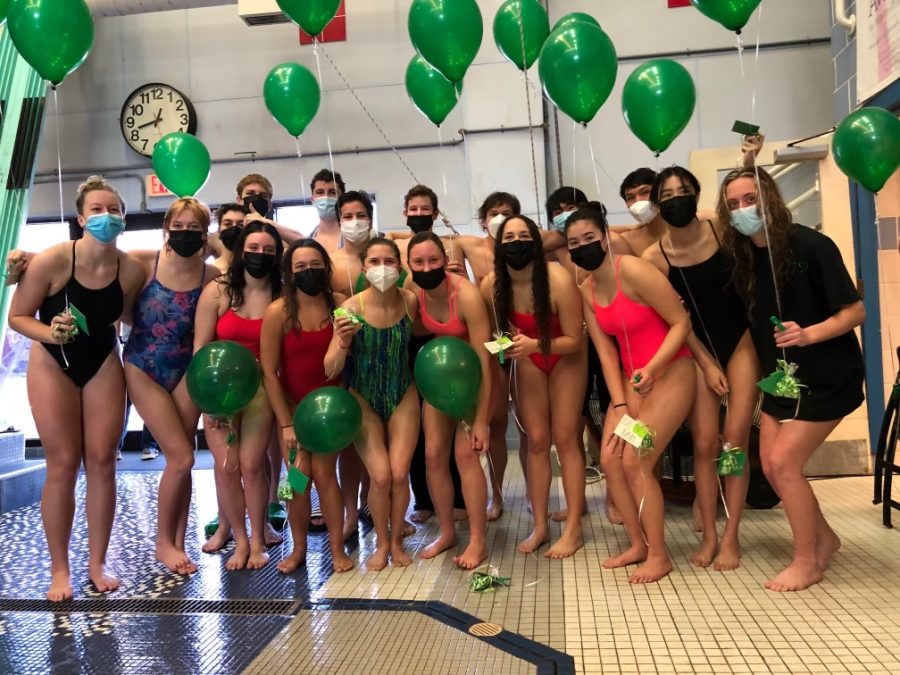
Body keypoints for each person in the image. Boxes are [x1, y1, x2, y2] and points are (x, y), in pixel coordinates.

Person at [719, 167, 864, 591]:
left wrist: (808, 334)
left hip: (825, 377)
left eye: (751, 200)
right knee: (774, 465)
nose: (743, 211)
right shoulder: (744, 257)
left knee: (783, 464)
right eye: (733, 205)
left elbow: (855, 311)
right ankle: (824, 540)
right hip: (780, 381)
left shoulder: (811, 245)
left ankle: (807, 561)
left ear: (771, 200)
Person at [8, 176, 145, 601]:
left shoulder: (131, 269)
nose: (107, 217)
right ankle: (59, 570)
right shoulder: (51, 261)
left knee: (103, 461)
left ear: (124, 217)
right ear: (81, 218)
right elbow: (17, 316)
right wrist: (52, 334)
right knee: (63, 463)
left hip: (102, 359)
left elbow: (126, 318)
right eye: (98, 210)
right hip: (52, 362)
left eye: (115, 210)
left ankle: (97, 563)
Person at [566, 206, 695, 583]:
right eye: (574, 243)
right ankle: (637, 543)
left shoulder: (634, 271)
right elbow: (606, 353)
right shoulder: (586, 290)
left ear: (605, 237)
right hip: (631, 383)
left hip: (671, 373)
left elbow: (680, 322)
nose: (582, 247)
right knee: (610, 461)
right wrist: (619, 404)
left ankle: (659, 555)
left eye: (589, 238)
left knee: (636, 459)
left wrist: (653, 369)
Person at [642, 166, 757, 571]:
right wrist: (707, 365)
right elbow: (676, 322)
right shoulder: (654, 258)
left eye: (683, 191)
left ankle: (732, 536)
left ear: (696, 194)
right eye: (667, 195)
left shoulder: (722, 234)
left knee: (734, 439)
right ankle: (709, 535)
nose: (676, 199)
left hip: (739, 344)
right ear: (657, 204)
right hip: (696, 355)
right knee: (706, 445)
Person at [122, 197, 220, 574]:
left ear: (204, 234)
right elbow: (100, 279)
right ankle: (164, 543)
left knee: (181, 461)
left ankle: (178, 541)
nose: (184, 234)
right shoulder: (144, 262)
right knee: (181, 457)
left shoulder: (209, 276)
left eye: (194, 229)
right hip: (143, 365)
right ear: (166, 229)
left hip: (186, 368)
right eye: (177, 227)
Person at [481, 216, 586, 558]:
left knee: (567, 440)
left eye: (524, 235)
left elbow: (574, 339)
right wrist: (508, 347)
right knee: (537, 440)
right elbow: (497, 334)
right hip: (529, 358)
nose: (516, 241)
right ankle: (540, 524)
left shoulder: (557, 278)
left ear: (536, 241)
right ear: (498, 245)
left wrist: (533, 344)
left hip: (564, 356)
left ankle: (573, 527)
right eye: (508, 237)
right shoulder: (492, 284)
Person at [325, 237, 420, 571]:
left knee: (398, 473)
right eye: (375, 262)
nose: (383, 268)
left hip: (403, 392)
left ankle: (396, 542)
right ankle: (380, 542)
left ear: (400, 265)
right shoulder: (349, 309)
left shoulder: (410, 301)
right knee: (379, 476)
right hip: (362, 396)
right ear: (364, 268)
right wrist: (342, 341)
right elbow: (330, 368)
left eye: (389, 261)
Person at [261, 238, 355, 573]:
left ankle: (336, 548)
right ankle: (298, 546)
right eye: (300, 267)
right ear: (289, 272)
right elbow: (269, 373)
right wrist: (286, 423)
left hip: (329, 413)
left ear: (327, 268)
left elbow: (350, 355)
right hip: (293, 411)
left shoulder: (341, 305)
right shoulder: (279, 313)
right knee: (296, 480)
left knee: (325, 475)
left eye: (315, 265)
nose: (309, 272)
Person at [193, 222, 283, 570]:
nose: (259, 255)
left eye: (268, 250)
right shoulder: (217, 291)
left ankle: (258, 539)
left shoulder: (281, 294)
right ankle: (241, 541)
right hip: (219, 387)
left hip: (261, 388)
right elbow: (200, 348)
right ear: (241, 249)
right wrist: (207, 398)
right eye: (253, 248)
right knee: (227, 466)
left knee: (250, 464)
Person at [407, 233, 493, 568]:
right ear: (410, 266)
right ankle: (447, 532)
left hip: (474, 378)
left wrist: (482, 419)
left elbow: (485, 362)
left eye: (433, 260)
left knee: (466, 456)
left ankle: (478, 540)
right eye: (418, 262)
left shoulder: (466, 295)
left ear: (445, 260)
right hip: (441, 382)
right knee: (432, 456)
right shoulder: (416, 294)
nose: (427, 267)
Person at [211, 203, 246, 273]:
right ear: (219, 229)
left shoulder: (254, 269)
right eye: (227, 224)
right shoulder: (211, 271)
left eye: (241, 225)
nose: (234, 229)